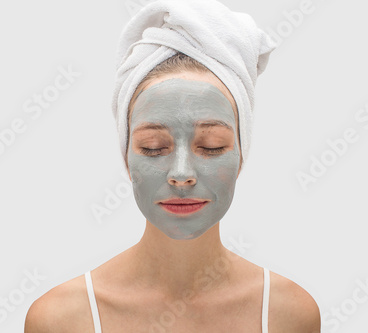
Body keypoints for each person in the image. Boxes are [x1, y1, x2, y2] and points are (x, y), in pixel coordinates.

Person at [25, 1, 321, 332]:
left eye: (212, 146)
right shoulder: (62, 320)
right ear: (126, 157)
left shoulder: (289, 315)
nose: (181, 174)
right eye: (154, 148)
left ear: (241, 153)